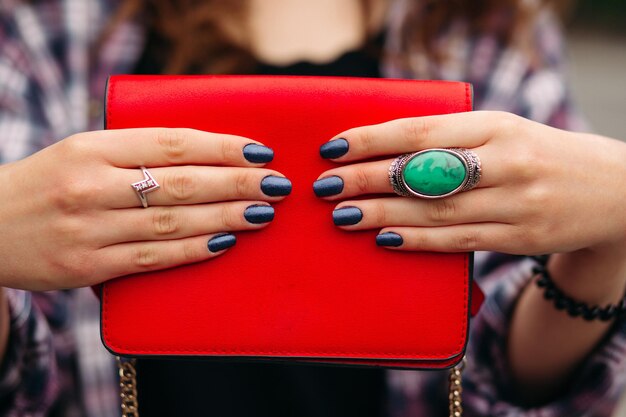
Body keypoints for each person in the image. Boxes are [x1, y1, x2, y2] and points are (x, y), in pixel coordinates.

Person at [0, 0, 625, 416]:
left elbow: (510, 375)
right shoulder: (50, 23)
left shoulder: (483, 25)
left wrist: (614, 229)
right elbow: (25, 373)